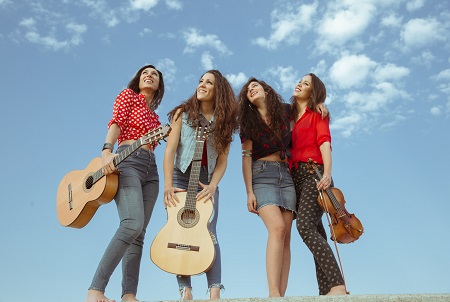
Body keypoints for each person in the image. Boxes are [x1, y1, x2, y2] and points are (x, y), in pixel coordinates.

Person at [86, 65, 165, 302]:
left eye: (154, 74)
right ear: (138, 80)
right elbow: (116, 123)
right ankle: (95, 289)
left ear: (159, 84)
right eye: (144, 73)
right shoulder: (128, 96)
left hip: (152, 170)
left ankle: (129, 295)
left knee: (139, 234)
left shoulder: (156, 117)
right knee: (131, 224)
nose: (149, 75)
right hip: (127, 160)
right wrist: (106, 151)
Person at [163, 70, 238, 300]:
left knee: (209, 231)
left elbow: (223, 159)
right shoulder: (182, 114)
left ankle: (214, 290)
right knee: (179, 228)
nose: (202, 85)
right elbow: (170, 151)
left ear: (219, 91)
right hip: (180, 175)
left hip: (206, 180)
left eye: (209, 82)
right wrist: (167, 185)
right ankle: (185, 290)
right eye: (201, 81)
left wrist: (213, 185)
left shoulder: (223, 122)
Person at [237, 78, 296, 297]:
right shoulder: (248, 121)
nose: (251, 90)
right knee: (277, 229)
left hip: (286, 175)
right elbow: (246, 157)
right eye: (248, 90)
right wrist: (249, 191)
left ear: (267, 91)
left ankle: (282, 293)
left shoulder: (285, 111)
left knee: (286, 237)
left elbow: (306, 107)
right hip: (261, 175)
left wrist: (319, 105)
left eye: (255, 86)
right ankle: (273, 294)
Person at [289, 73, 347, 296]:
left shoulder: (317, 114)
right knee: (317, 232)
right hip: (295, 178)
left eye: (305, 84)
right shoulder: (289, 115)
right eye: (299, 81)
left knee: (304, 226)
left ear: (312, 93)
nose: (299, 84)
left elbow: (325, 143)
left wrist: (328, 173)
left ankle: (338, 285)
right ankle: (326, 290)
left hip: (315, 173)